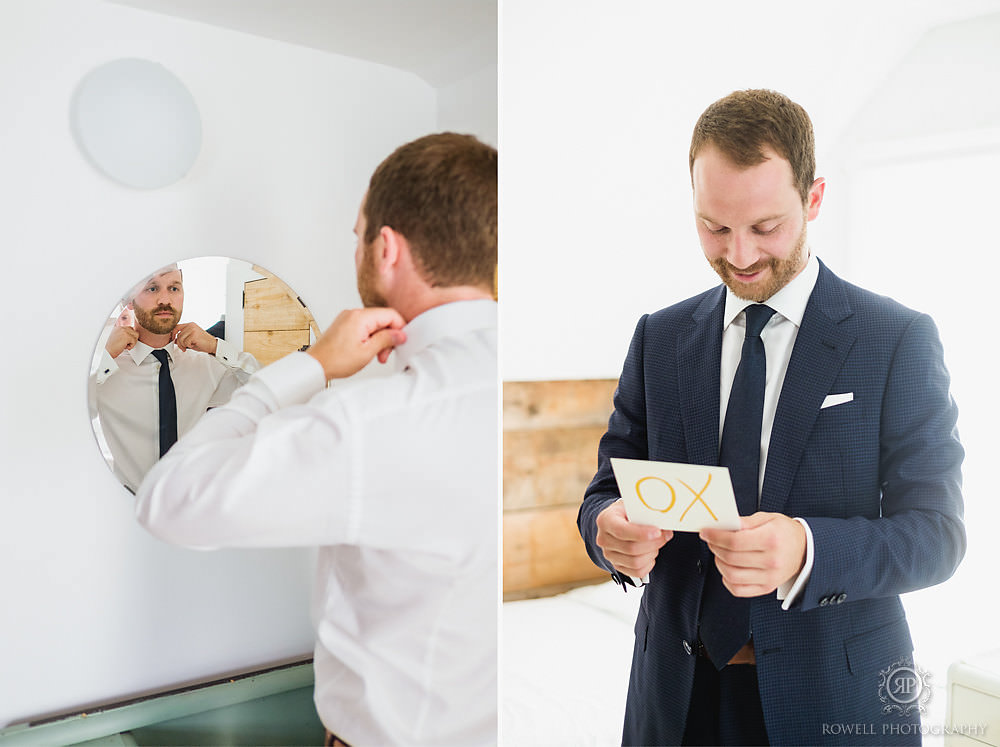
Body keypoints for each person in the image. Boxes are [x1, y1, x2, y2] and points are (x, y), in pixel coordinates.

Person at [578, 90, 965, 745]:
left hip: (834, 699)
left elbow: (938, 534)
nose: (740, 255)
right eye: (714, 227)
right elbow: (605, 491)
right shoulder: (658, 337)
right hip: (675, 702)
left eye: (765, 227)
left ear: (813, 200)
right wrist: (605, 531)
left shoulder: (896, 338)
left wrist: (807, 550)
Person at [135, 133, 498, 746]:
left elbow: (167, 500)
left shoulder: (371, 423)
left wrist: (311, 368)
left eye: (358, 235)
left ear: (386, 248)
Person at [94, 265, 260, 493]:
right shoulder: (106, 371)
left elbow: (268, 391)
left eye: (174, 288)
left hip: (193, 505)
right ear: (128, 302)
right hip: (126, 505)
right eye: (152, 288)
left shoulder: (205, 365)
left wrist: (215, 346)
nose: (165, 299)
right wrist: (105, 358)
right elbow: (62, 414)